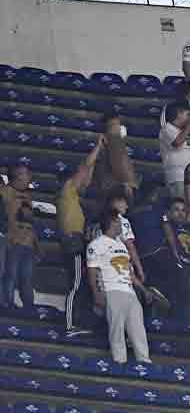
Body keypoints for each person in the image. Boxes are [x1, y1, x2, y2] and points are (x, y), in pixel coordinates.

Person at [87, 209, 152, 364]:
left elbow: (128, 271)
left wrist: (143, 289)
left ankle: (144, 360)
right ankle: (119, 360)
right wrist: (97, 294)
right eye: (119, 221)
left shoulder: (122, 245)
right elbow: (92, 271)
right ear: (112, 223)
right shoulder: (96, 244)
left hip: (129, 290)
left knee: (138, 328)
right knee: (116, 328)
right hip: (111, 290)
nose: (122, 225)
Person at [59, 136, 106, 336]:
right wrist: (98, 147)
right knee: (76, 285)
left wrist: (93, 163)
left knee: (79, 284)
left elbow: (86, 177)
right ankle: (69, 326)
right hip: (73, 241)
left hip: (75, 241)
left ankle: (77, 323)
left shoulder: (72, 197)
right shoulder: (66, 191)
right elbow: (84, 169)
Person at [0, 165, 36, 309]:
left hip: (28, 243)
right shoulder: (4, 192)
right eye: (26, 174)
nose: (29, 176)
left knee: (26, 278)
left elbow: (30, 222)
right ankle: (6, 304)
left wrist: (36, 245)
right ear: (18, 175)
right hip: (12, 241)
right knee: (10, 275)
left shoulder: (28, 195)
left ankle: (29, 307)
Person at [158, 197, 190, 322]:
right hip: (176, 269)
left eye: (183, 210)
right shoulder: (168, 225)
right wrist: (176, 257)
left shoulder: (189, 228)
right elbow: (166, 226)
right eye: (176, 210)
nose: (181, 213)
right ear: (169, 212)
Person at [160, 103, 190, 199]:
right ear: (179, 114)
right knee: (181, 208)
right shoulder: (167, 128)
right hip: (178, 177)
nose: (189, 118)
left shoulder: (184, 132)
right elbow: (177, 143)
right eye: (188, 115)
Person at [93, 113, 138, 202]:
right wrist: (130, 184)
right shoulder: (113, 139)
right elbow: (120, 165)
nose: (118, 127)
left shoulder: (109, 141)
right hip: (117, 192)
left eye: (118, 124)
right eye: (114, 125)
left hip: (109, 190)